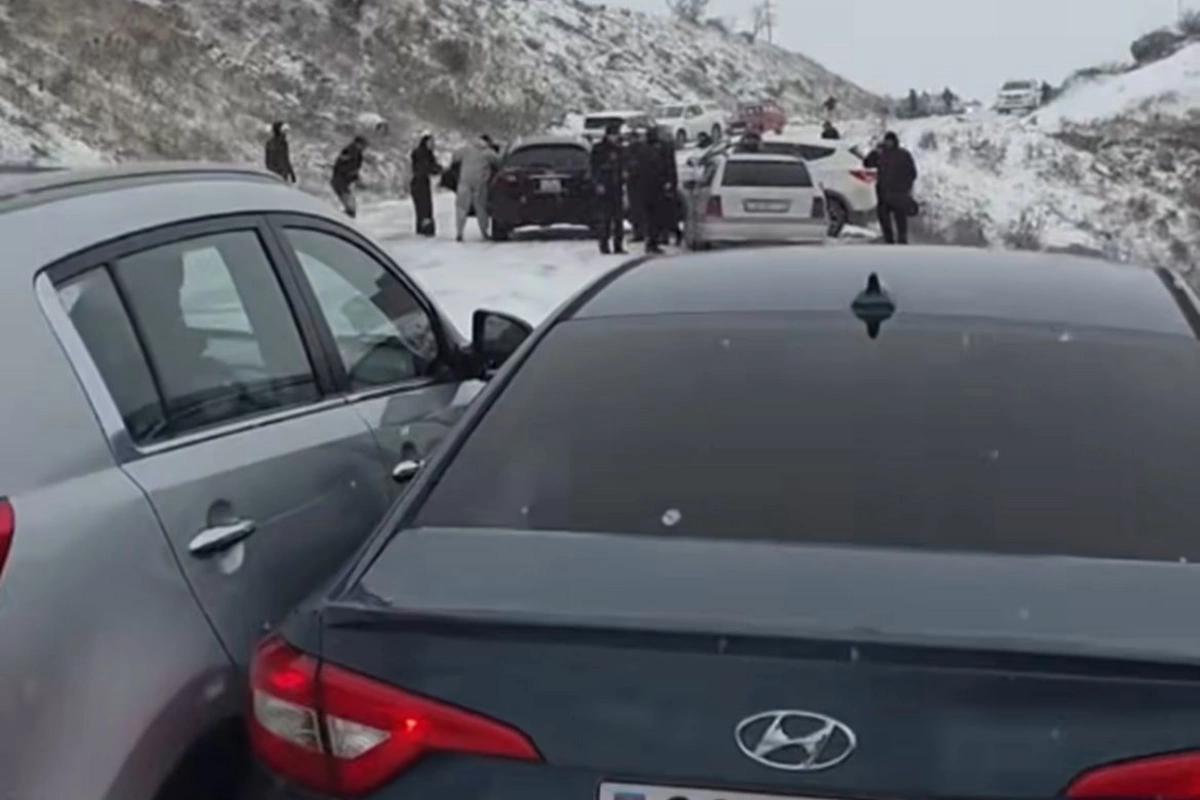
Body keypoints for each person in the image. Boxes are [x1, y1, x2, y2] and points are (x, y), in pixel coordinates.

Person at [863, 131, 918, 245]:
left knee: (898, 219)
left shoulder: (901, 154)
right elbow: (867, 163)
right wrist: (874, 152)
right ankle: (892, 241)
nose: (888, 143)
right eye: (887, 141)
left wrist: (906, 187)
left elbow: (912, 173)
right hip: (887, 193)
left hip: (895, 193)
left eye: (890, 141)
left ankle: (898, 241)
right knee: (888, 219)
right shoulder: (881, 154)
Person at [633, 126, 678, 255]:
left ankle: (653, 241)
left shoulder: (643, 150)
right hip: (655, 188)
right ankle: (652, 242)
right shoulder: (655, 150)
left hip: (649, 188)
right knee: (655, 217)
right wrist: (669, 183)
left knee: (653, 218)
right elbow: (667, 168)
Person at [450, 135, 501, 241]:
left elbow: (455, 156)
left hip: (464, 181)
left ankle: (459, 233)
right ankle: (484, 232)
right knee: (481, 208)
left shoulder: (466, 149)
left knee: (461, 208)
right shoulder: (488, 152)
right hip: (480, 183)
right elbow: (499, 162)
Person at [590, 122, 626, 255]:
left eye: (617, 134)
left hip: (617, 186)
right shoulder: (599, 149)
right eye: (613, 135)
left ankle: (618, 245)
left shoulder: (619, 149)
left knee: (618, 219)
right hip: (605, 187)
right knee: (605, 218)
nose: (615, 137)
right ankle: (604, 245)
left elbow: (623, 166)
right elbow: (594, 168)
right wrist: (598, 183)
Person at [410, 134, 442, 237]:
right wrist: (438, 169)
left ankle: (423, 228)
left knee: (423, 207)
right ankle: (426, 229)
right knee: (424, 207)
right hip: (419, 182)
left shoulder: (427, 153)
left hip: (422, 181)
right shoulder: (420, 153)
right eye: (431, 142)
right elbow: (426, 167)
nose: (433, 145)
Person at [331, 135, 366, 218]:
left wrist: (356, 179)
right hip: (339, 181)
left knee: (351, 204)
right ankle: (343, 218)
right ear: (357, 144)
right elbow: (340, 165)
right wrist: (350, 174)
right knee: (350, 206)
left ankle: (346, 217)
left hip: (344, 182)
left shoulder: (357, 154)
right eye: (363, 145)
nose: (364, 148)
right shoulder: (349, 151)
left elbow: (354, 169)